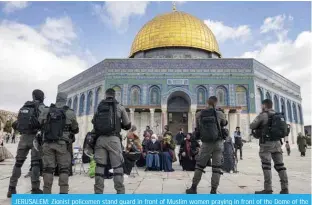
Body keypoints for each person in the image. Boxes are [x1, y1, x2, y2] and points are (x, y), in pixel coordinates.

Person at [7, 89, 45, 198]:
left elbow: (17, 123)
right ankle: (35, 188)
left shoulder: (24, 107)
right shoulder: (42, 107)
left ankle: (11, 188)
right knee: (35, 164)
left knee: (18, 163)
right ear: (42, 97)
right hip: (35, 138)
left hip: (23, 137)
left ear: (33, 96)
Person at [92, 88, 131, 194]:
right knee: (117, 167)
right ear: (114, 95)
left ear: (105, 95)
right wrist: (119, 124)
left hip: (100, 140)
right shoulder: (119, 106)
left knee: (99, 167)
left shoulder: (99, 107)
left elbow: (94, 122)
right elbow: (128, 125)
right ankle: (120, 193)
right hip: (114, 140)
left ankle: (98, 193)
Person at [39, 92, 79, 194]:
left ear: (56, 98)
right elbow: (75, 129)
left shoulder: (46, 110)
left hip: (47, 144)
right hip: (62, 145)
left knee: (48, 169)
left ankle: (46, 194)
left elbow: (40, 123)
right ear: (65, 99)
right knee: (64, 169)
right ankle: (63, 195)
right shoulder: (70, 112)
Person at [186, 96, 227, 194]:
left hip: (206, 144)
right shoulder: (220, 114)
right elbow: (224, 123)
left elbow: (197, 129)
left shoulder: (199, 114)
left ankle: (193, 188)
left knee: (200, 166)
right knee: (216, 168)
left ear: (207, 103)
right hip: (218, 143)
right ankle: (213, 190)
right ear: (216, 103)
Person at [250, 99, 289, 194]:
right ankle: (285, 188)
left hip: (266, 144)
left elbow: (252, 125)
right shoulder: (278, 115)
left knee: (266, 166)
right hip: (277, 144)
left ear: (264, 105)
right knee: (280, 166)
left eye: (262, 105)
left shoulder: (263, 115)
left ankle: (268, 189)